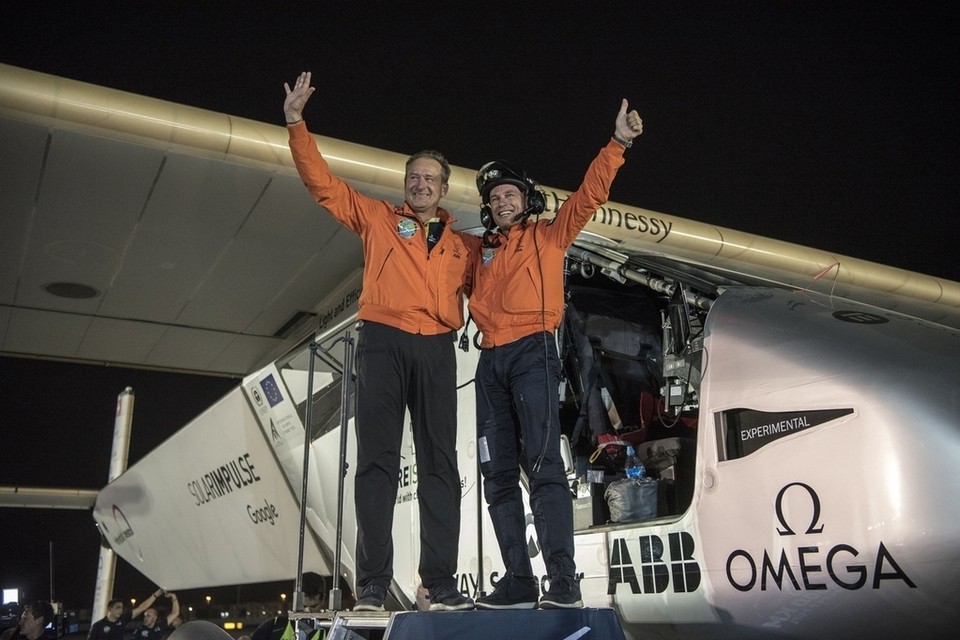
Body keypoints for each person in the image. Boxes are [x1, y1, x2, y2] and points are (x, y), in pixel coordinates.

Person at [282, 71, 478, 612]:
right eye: (413, 177)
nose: (420, 184)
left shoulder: (463, 246)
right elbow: (323, 186)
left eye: (430, 178)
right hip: (382, 344)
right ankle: (371, 584)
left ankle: (439, 582)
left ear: (444, 189)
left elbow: (495, 291)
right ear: (406, 183)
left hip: (436, 349)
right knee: (376, 463)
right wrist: (296, 124)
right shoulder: (378, 219)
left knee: (441, 465)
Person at [468, 100, 643, 610]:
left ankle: (564, 581)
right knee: (497, 475)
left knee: (544, 465)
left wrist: (618, 143)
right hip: (489, 363)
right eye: (494, 197)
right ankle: (519, 581)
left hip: (533, 353)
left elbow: (590, 195)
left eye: (509, 193)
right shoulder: (477, 251)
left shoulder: (550, 236)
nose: (502, 202)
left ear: (527, 199)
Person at [250, 572, 325, 640]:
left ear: (322, 600)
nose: (308, 611)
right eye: (303, 606)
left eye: (314, 606)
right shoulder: (275, 627)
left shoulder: (330, 630)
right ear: (294, 600)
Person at [88, 588, 166, 640]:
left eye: (122, 608)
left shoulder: (122, 620)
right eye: (118, 607)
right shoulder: (98, 626)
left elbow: (142, 607)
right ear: (110, 609)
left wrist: (155, 595)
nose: (121, 610)